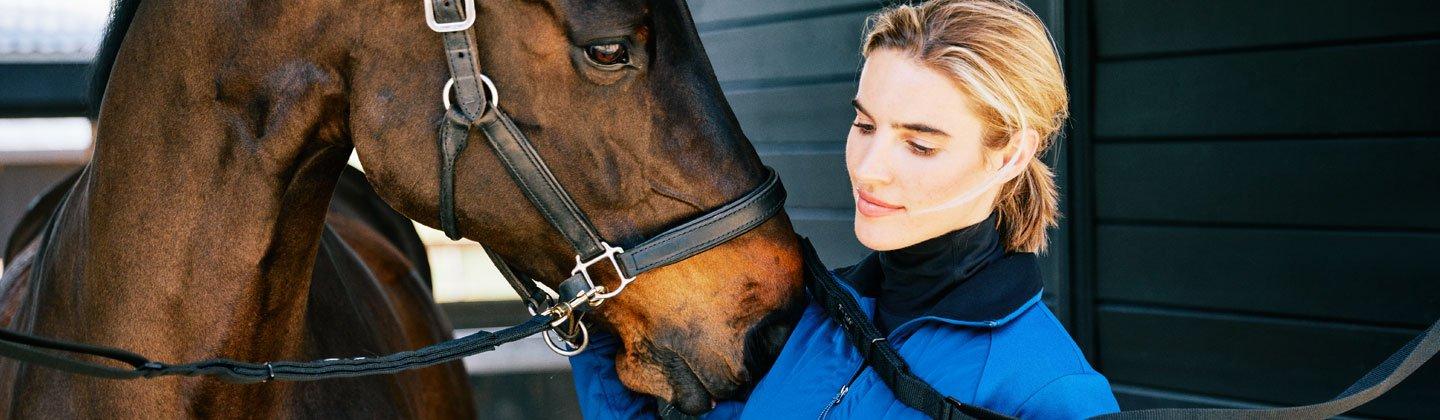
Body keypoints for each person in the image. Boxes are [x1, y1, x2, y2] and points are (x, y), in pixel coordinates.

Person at [568, 0, 1121, 418]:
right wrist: (592, 317)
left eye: (920, 144)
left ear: (1011, 155)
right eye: (864, 125)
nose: (867, 167)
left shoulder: (1050, 392)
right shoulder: (809, 311)